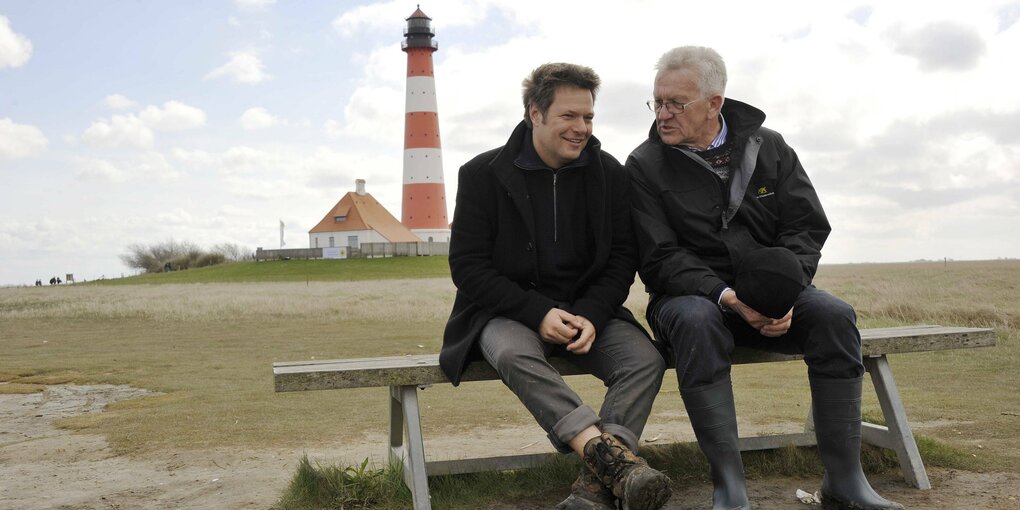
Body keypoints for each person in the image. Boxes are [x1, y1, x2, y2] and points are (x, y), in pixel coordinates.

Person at [627, 46, 904, 510]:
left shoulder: (769, 146)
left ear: (714, 103)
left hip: (778, 294)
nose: (663, 114)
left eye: (677, 103)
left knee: (836, 316)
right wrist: (731, 297)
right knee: (696, 322)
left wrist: (782, 294)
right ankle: (730, 490)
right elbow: (659, 257)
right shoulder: (643, 165)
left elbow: (806, 226)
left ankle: (845, 482)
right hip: (690, 299)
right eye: (657, 101)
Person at [441, 62, 672, 510]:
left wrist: (592, 312)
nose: (581, 127)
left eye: (587, 117)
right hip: (505, 312)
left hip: (589, 311)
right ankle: (612, 462)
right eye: (569, 116)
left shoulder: (610, 174)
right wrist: (536, 313)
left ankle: (595, 486)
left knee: (645, 359)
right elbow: (468, 267)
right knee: (512, 353)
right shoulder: (481, 174)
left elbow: (623, 257)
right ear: (536, 114)